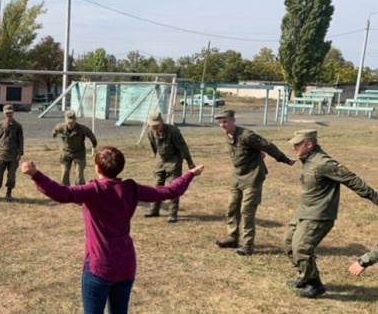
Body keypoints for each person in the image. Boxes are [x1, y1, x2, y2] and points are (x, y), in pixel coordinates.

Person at [22, 146, 204, 314]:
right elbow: (168, 191)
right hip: (126, 266)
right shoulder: (130, 188)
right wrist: (189, 174)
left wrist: (35, 174)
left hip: (99, 267)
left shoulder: (93, 190)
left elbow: (63, 193)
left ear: (97, 167)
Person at [283, 129, 378, 298]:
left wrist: (375, 198)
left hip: (320, 214)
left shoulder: (323, 163)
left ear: (309, 144)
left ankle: (315, 285)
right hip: (304, 211)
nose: (294, 147)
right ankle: (305, 276)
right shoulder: (307, 159)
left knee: (301, 248)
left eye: (297, 144)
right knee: (289, 244)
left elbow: (351, 179)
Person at [214, 109, 295, 256]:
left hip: (253, 177)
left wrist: (285, 159)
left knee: (247, 212)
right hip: (237, 177)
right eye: (220, 122)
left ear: (233, 120)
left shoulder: (247, 135)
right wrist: (257, 153)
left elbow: (267, 146)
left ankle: (247, 245)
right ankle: (232, 238)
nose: (222, 124)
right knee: (232, 208)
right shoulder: (229, 134)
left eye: (225, 121)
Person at [144, 111, 196, 223]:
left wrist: (189, 161)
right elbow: (154, 147)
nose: (154, 127)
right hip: (160, 159)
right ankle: (154, 210)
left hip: (174, 159)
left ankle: (172, 214)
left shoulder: (173, 131)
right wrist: (157, 160)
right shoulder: (150, 132)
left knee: (173, 186)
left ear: (162, 121)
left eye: (156, 125)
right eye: (152, 125)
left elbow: (183, 147)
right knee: (157, 185)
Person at [52, 110, 98, 186]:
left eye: (72, 122)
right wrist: (54, 134)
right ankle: (65, 191)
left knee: (79, 175)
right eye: (69, 123)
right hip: (66, 153)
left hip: (79, 153)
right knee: (65, 173)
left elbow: (91, 135)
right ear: (65, 121)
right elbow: (55, 130)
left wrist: (94, 144)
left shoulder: (82, 129)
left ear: (75, 121)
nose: (71, 124)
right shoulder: (60, 127)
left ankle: (80, 191)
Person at [0, 104, 24, 201]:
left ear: (13, 112)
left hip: (13, 155)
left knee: (11, 175)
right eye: (6, 113)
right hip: (1, 154)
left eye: (10, 113)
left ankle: (9, 193)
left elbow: (21, 140)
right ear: (4, 113)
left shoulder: (18, 126)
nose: (8, 115)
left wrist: (19, 153)